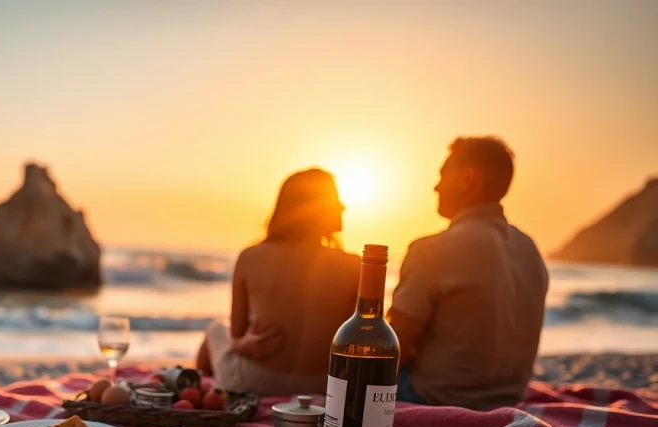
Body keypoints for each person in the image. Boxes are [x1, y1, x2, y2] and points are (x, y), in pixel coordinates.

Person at [388, 137, 548, 409]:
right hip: (509, 400)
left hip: (438, 399)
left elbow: (392, 350)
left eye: (442, 174)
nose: (435, 186)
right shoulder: (530, 248)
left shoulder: (431, 250)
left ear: (467, 179)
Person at [196, 168, 360, 396]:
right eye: (335, 200)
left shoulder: (250, 256)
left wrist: (238, 345)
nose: (343, 206)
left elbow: (238, 334)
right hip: (323, 385)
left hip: (254, 382)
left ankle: (201, 395)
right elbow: (355, 336)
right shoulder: (354, 265)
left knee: (216, 329)